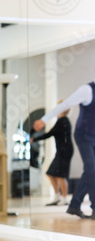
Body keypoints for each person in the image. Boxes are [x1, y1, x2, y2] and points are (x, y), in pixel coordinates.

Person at [34, 80, 95, 220]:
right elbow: (66, 104)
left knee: (91, 170)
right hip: (84, 135)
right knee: (91, 169)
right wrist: (44, 119)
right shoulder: (87, 89)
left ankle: (74, 204)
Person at [31, 101, 73, 206]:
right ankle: (57, 196)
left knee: (60, 175)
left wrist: (35, 138)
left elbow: (50, 133)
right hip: (62, 151)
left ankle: (64, 198)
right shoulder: (61, 120)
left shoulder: (63, 121)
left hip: (65, 151)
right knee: (51, 173)